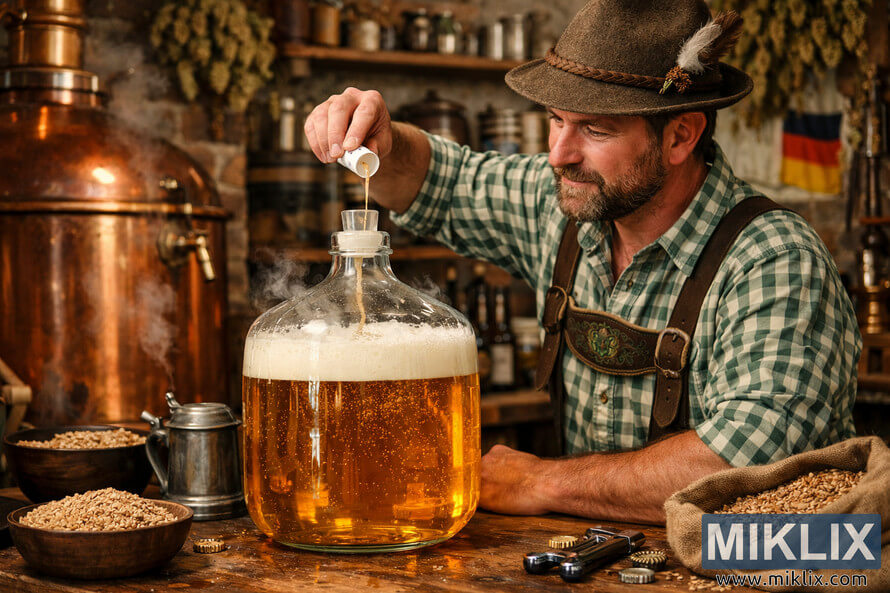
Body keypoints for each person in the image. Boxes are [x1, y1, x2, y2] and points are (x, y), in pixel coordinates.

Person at [303, 0, 861, 524]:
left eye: (595, 129)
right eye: (555, 119)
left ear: (680, 136)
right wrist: (379, 136)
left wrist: (540, 483)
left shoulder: (774, 260)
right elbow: (443, 183)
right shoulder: (568, 205)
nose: (559, 154)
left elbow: (746, 466)